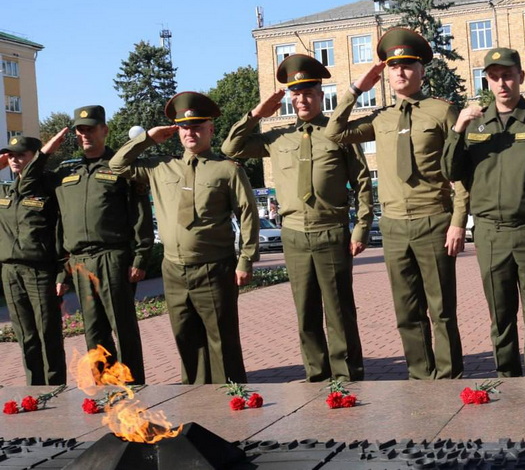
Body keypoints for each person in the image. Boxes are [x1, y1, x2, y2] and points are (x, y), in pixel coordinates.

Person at [325, 27, 468, 380]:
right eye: (393, 67)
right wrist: (358, 88)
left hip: (433, 219)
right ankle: (420, 376)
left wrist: (458, 220)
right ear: (385, 74)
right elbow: (334, 132)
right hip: (393, 225)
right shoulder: (380, 118)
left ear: (421, 71)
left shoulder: (441, 112)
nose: (400, 72)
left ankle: (449, 377)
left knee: (441, 309)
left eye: (407, 66)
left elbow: (461, 170)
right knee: (407, 310)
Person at [222, 54, 373, 382]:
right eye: (296, 94)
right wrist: (257, 114)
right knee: (305, 311)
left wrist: (362, 226)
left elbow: (362, 181)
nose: (302, 100)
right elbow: (230, 147)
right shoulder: (277, 138)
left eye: (308, 93)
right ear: (290, 98)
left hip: (330, 229)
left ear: (321, 95)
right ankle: (317, 374)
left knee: (338, 310)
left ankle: (347, 374)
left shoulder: (338, 133)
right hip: (293, 233)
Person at [109, 91, 259, 384]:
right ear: (177, 130)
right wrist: (149, 138)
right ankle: (195, 398)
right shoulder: (160, 167)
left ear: (211, 129)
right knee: (185, 337)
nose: (191, 132)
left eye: (198, 126)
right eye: (184, 127)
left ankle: (232, 398)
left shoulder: (227, 170)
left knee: (221, 339)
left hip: (214, 267)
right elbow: (117, 164)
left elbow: (248, 214)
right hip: (174, 269)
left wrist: (246, 259)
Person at [442, 47, 525, 377]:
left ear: (521, 77)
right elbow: (451, 171)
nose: (502, 83)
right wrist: (457, 130)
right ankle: (507, 379)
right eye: (495, 77)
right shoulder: (475, 125)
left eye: (508, 75)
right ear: (487, 80)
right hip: (490, 233)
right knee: (500, 314)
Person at [29, 105, 153, 384]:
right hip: (79, 261)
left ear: (104, 130)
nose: (85, 134)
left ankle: (133, 386)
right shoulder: (66, 171)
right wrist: (46, 152)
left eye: (91, 128)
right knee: (94, 330)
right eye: (80, 130)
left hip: (113, 257)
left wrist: (141, 257)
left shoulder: (120, 167)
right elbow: (29, 185)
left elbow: (140, 214)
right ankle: (107, 385)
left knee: (122, 326)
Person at [0, 136, 65, 385]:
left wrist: (62, 272)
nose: (14, 159)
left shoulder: (49, 188)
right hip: (10, 271)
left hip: (39, 271)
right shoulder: (5, 191)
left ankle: (56, 386)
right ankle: (35, 387)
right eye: (10, 155)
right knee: (25, 334)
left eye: (21, 154)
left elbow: (61, 232)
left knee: (48, 333)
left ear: (35, 157)